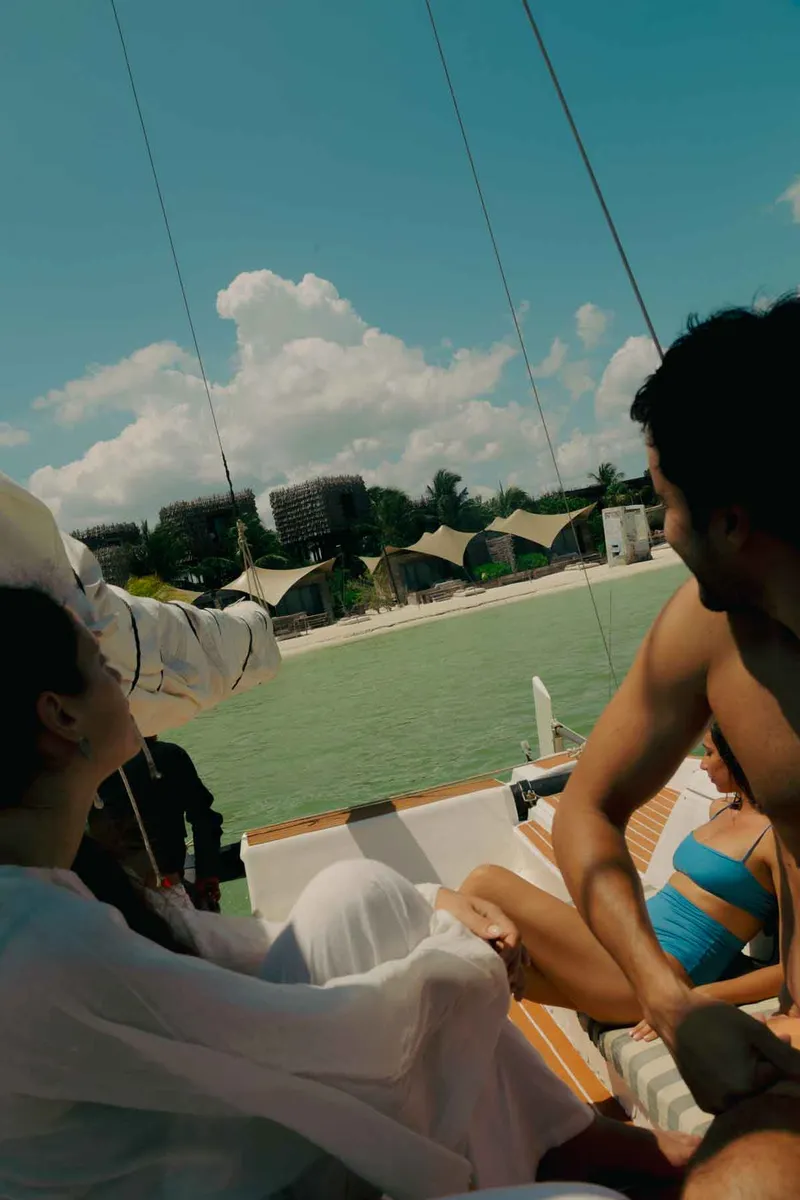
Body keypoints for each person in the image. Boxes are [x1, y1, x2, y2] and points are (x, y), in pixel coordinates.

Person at [0, 585, 696, 1199]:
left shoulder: (52, 899)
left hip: (218, 1155)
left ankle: (559, 1139)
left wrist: (434, 903)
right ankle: (548, 1153)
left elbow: (239, 947)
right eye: (100, 664)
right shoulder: (42, 945)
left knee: (357, 892)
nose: (120, 674)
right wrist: (472, 959)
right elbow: (300, 1040)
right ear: (61, 717)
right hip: (235, 1174)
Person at [546, 294, 800, 1115]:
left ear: (729, 521)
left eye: (666, 501)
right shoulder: (708, 633)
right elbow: (585, 809)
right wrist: (672, 1003)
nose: (664, 530)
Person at [461, 721, 781, 1031]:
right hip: (626, 950)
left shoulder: (778, 840)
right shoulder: (721, 809)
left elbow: (792, 971)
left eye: (710, 754)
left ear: (740, 757)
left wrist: (704, 995)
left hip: (652, 979)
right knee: (492, 958)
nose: (701, 765)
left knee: (485, 883)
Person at [90, 734, 224, 911]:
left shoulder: (83, 772)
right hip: (167, 884)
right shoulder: (169, 756)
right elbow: (204, 819)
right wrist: (207, 874)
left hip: (109, 896)